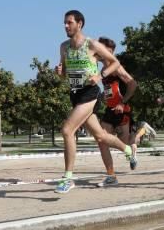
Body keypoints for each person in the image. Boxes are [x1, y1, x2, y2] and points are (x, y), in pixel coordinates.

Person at [54, 10, 133, 194]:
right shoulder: (64, 47)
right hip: (75, 94)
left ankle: (68, 178)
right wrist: (59, 73)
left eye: (69, 22)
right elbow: (65, 73)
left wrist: (99, 75)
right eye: (64, 23)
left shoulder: (91, 44)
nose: (66, 26)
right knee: (100, 136)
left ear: (79, 24)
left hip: (90, 93)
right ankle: (127, 149)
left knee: (67, 130)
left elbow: (114, 61)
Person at [94, 37, 138, 187]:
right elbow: (109, 90)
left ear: (109, 51)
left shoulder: (116, 68)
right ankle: (111, 175)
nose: (96, 51)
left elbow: (133, 84)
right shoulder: (102, 69)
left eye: (100, 48)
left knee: (123, 143)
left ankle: (135, 142)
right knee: (101, 140)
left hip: (122, 110)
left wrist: (122, 102)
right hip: (109, 110)